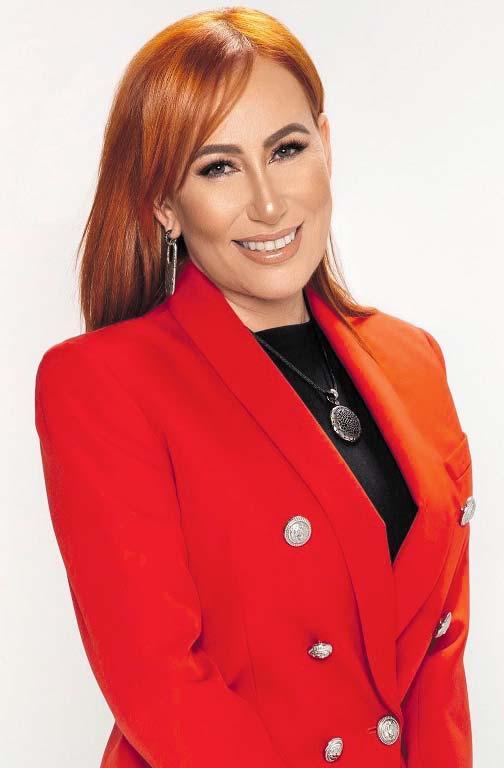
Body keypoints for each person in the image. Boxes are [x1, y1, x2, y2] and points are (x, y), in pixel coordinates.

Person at [34, 7, 475, 768]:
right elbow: (160, 683)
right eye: (218, 167)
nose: (269, 204)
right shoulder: (103, 384)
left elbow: (440, 659)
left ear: (326, 145)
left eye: (287, 149)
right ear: (163, 203)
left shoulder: (413, 360)